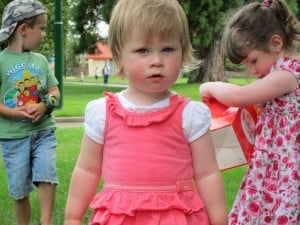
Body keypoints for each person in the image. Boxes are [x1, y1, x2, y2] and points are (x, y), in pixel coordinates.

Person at [65, 0, 227, 224]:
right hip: (119, 217)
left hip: (177, 216)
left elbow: (207, 173)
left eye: (168, 49)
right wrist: (73, 217)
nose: (157, 61)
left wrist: (219, 220)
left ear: (183, 51)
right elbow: (87, 170)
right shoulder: (102, 113)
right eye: (143, 50)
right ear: (120, 56)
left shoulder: (190, 114)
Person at [199, 0, 300, 224]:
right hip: (273, 162)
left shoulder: (287, 75)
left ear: (276, 43)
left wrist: (208, 87)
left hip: (285, 166)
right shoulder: (282, 73)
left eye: (253, 61)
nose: (252, 70)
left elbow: (239, 96)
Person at [0, 0, 60, 225]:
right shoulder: (1, 61)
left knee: (47, 175)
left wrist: (46, 105)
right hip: (13, 139)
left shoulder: (41, 61)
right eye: (42, 28)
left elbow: (54, 90)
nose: (44, 34)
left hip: (43, 132)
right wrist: (16, 113)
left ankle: (46, 222)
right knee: (19, 189)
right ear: (24, 30)